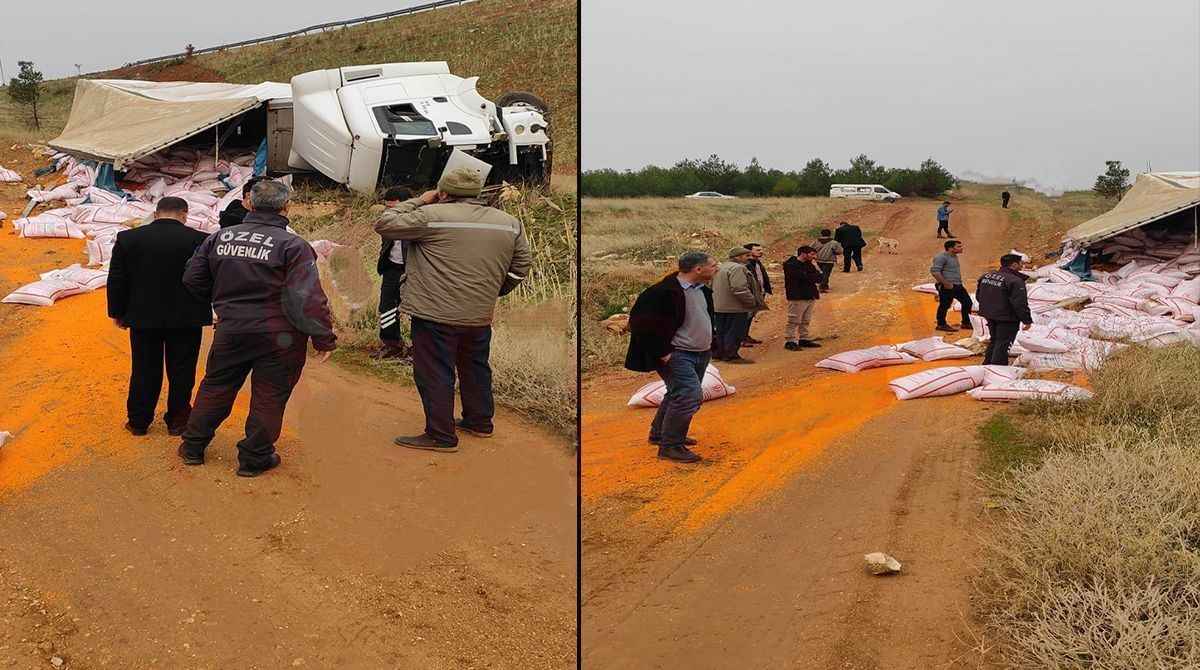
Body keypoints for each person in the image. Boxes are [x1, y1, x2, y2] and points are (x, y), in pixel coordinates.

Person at [374, 151, 531, 453]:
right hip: (479, 314)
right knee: (475, 367)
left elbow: (385, 223)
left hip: (435, 313)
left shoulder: (430, 216)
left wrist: (420, 199)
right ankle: (479, 421)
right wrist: (496, 291)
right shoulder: (509, 223)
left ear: (443, 192)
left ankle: (441, 435)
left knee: (435, 371)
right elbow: (521, 267)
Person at [179, 180, 337, 477]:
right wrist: (323, 338)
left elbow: (192, 279)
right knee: (270, 395)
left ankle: (193, 447)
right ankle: (254, 458)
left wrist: (222, 304)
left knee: (216, 387)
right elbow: (308, 298)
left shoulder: (219, 238)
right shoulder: (293, 246)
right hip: (280, 336)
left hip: (232, 329)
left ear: (248, 203)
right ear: (286, 207)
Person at [106, 196, 212, 437]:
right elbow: (208, 278)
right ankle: (178, 421)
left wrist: (118, 313)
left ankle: (139, 421)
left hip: (143, 317)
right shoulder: (200, 240)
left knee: (144, 368)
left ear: (156, 214)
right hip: (187, 317)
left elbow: (117, 279)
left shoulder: (129, 239)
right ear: (184, 214)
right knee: (182, 370)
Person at [624, 251, 719, 463]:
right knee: (689, 396)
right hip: (678, 354)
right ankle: (671, 446)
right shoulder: (661, 292)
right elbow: (639, 324)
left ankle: (659, 434)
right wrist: (663, 353)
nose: (716, 268)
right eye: (713, 265)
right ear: (698, 269)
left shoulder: (702, 290)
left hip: (700, 352)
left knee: (677, 392)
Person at [374, 185, 413, 360]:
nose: (389, 212)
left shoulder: (419, 221)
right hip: (392, 268)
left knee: (416, 311)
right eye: (387, 208)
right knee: (387, 308)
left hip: (414, 271)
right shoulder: (388, 221)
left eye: (394, 207)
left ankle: (417, 350)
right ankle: (392, 345)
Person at [976, 254, 1033, 364]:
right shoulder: (1015, 281)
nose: (1022, 265)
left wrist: (989, 308)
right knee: (1003, 343)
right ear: (1014, 264)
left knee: (995, 340)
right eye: (1021, 263)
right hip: (1007, 317)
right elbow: (1020, 303)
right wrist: (1027, 320)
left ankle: (987, 365)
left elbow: (979, 296)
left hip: (989, 314)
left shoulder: (986, 276)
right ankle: (997, 368)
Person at [711, 247, 764, 363]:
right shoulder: (738, 268)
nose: (749, 258)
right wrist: (751, 301)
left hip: (720, 306)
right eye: (746, 256)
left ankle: (720, 354)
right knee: (735, 332)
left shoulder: (721, 267)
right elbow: (739, 288)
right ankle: (731, 356)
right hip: (735, 306)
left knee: (722, 331)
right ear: (738, 257)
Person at [782, 245, 823, 350]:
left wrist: (815, 269)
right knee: (794, 320)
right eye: (812, 254)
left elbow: (819, 278)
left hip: (809, 295)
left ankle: (804, 338)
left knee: (806, 319)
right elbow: (805, 277)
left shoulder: (809, 264)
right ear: (803, 254)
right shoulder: (791, 265)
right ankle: (790, 340)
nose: (814, 257)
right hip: (798, 296)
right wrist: (813, 274)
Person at [931, 239, 972, 333]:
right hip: (947, 286)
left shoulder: (954, 256)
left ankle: (966, 323)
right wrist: (946, 284)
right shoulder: (941, 257)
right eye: (958, 246)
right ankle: (941, 324)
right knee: (945, 305)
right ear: (950, 248)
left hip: (957, 285)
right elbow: (935, 272)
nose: (961, 248)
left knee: (967, 302)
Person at [742, 242, 771, 345]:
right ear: (749, 252)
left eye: (761, 250)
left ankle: (745, 336)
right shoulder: (746, 265)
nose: (761, 252)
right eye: (758, 250)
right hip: (751, 294)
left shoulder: (757, 262)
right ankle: (742, 338)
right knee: (745, 317)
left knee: (750, 317)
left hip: (759, 293)